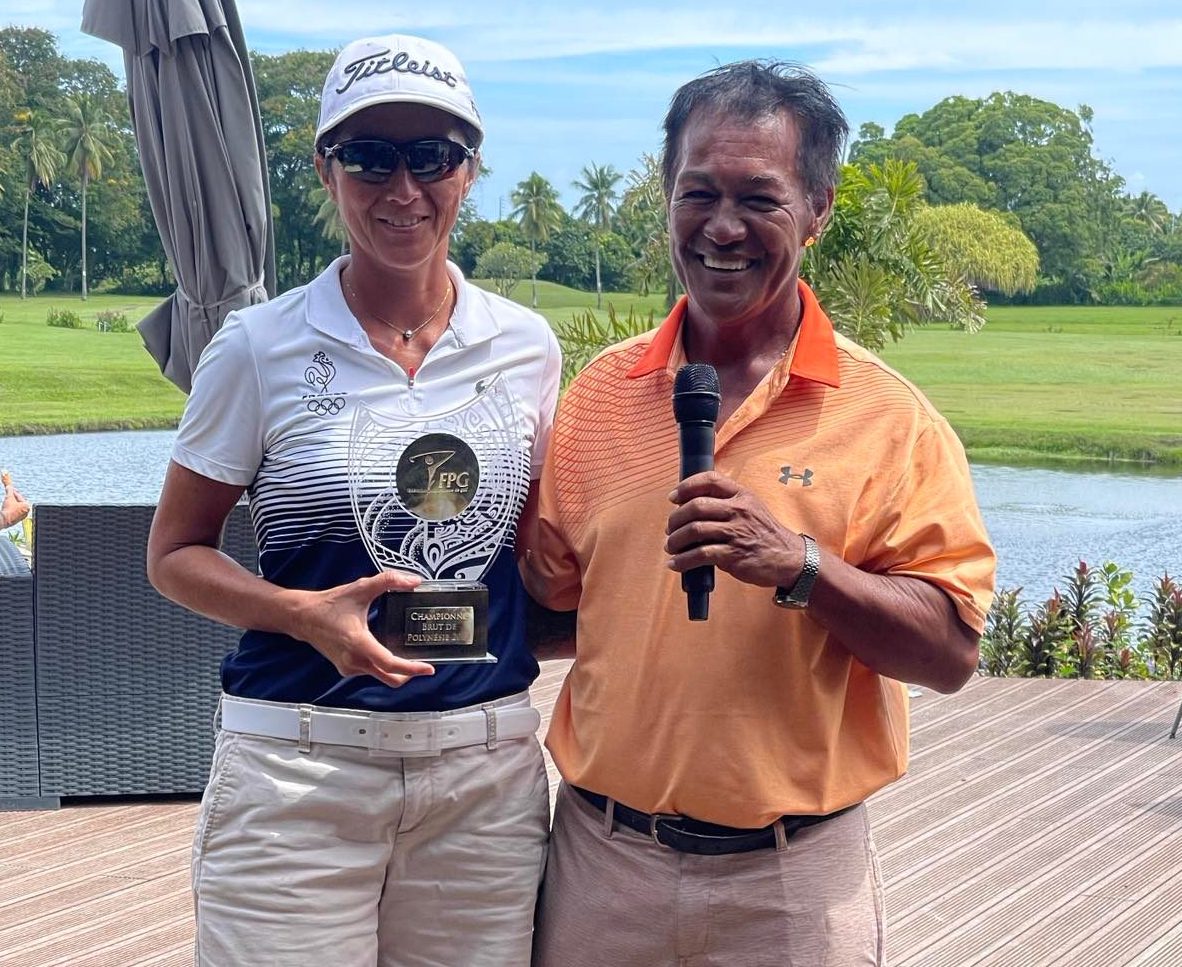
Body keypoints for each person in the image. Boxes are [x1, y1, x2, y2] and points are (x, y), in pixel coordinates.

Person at [523, 61, 996, 966]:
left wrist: (800, 567)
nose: (724, 226)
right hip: (601, 863)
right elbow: (553, 606)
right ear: (665, 196)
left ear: (817, 209)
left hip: (793, 882)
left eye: (760, 198)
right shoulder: (597, 398)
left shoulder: (889, 417)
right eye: (698, 192)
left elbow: (949, 653)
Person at [146, 33, 560, 966]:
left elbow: (532, 556)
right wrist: (302, 613)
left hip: (482, 776)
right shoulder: (257, 347)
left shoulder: (528, 348)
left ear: (469, 169)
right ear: (327, 170)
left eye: (432, 156)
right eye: (370, 156)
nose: (401, 188)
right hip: (297, 770)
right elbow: (174, 554)